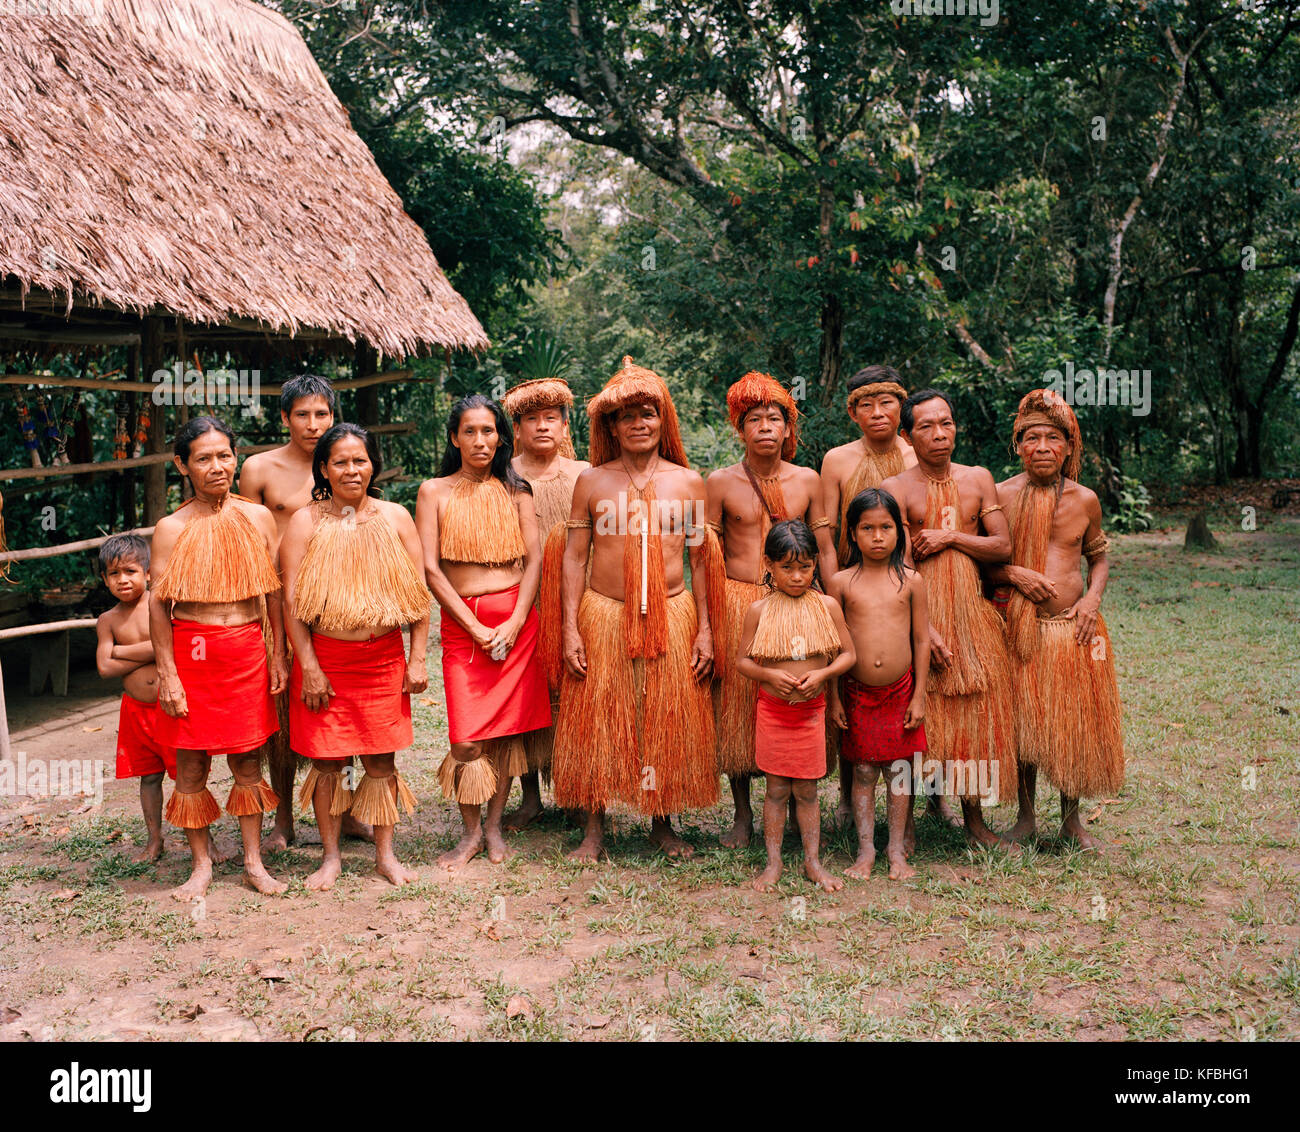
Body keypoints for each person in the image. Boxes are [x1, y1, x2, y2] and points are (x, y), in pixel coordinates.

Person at [548, 357, 723, 861]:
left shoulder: (688, 482)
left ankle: (661, 822)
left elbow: (700, 561)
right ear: (611, 426)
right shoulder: (593, 481)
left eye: (648, 413)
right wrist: (570, 629)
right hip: (603, 613)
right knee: (599, 714)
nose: (639, 423)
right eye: (627, 416)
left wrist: (706, 630)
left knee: (664, 715)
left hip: (672, 610)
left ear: (662, 419)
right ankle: (594, 830)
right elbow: (574, 558)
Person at [280, 424, 431, 889]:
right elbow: (291, 603)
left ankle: (386, 855)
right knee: (328, 763)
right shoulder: (306, 521)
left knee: (380, 763)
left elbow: (419, 597)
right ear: (323, 468)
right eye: (340, 462)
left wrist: (417, 658)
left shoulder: (395, 517)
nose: (351, 469)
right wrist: (309, 667)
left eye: (360, 460)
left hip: (382, 657)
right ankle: (331, 857)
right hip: (328, 657)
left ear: (373, 464)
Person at [150, 417, 287, 900]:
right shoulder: (171, 528)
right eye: (203, 458)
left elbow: (273, 593)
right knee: (190, 768)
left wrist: (278, 655)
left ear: (236, 457)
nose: (216, 467)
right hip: (194, 655)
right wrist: (168, 673)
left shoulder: (257, 517)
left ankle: (253, 861)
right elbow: (158, 605)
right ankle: (201, 865)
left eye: (224, 455)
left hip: (248, 651)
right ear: (182, 465)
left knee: (249, 761)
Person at [415, 395, 550, 870]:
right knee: (467, 740)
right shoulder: (434, 491)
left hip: (517, 624)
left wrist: (513, 623)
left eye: (489, 431)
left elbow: (535, 560)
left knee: (505, 736)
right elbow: (431, 569)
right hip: (463, 629)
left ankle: (492, 829)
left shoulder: (517, 490)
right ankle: (469, 833)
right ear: (454, 438)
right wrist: (473, 626)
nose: (480, 440)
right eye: (469, 431)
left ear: (500, 436)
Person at [237, 375, 371, 852]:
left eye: (322, 415)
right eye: (302, 414)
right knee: (282, 715)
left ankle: (349, 810)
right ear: (284, 418)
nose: (313, 425)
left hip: (336, 604)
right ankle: (284, 817)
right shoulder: (258, 469)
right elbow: (248, 540)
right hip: (276, 602)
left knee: (342, 708)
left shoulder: (343, 463)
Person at [880, 389, 1016, 848]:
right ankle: (910, 822)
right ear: (907, 435)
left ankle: (975, 821)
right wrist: (926, 628)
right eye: (926, 427)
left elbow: (1002, 546)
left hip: (971, 615)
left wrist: (949, 536)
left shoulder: (979, 479)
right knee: (914, 715)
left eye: (947, 424)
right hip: (919, 615)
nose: (939, 435)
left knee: (972, 714)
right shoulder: (895, 490)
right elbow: (897, 563)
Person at [706, 372, 836, 849]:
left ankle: (800, 800)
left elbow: (824, 546)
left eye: (774, 418)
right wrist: (705, 622)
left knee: (797, 699)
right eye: (754, 419)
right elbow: (705, 556)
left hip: (799, 601)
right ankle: (743, 814)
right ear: (740, 430)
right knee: (739, 709)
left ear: (788, 428)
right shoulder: (719, 483)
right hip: (739, 600)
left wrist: (833, 600)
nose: (764, 426)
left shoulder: (808, 480)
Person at [990, 390, 1124, 848]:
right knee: (1024, 725)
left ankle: (1071, 819)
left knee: (1073, 725)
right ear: (1018, 445)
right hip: (1017, 627)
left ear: (1068, 447)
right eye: (1031, 437)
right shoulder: (1000, 495)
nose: (1041, 446)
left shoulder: (1085, 499)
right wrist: (1013, 573)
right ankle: (1026, 818)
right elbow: (979, 560)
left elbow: (1099, 557)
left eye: (1052, 438)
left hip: (1072, 628)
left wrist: (1092, 601)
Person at [819, 365, 917, 822]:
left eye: (886, 403)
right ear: (853, 412)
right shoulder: (837, 460)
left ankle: (927, 800)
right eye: (865, 404)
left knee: (912, 692)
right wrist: (833, 594)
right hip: (850, 586)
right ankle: (845, 796)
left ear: (902, 405)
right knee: (851, 690)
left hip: (910, 586)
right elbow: (825, 532)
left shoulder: (918, 455)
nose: (877, 413)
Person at [735, 520, 854, 893]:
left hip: (810, 712)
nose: (797, 576)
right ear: (768, 564)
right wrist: (769, 677)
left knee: (807, 791)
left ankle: (812, 862)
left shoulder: (827, 606)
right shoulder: (759, 610)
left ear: (815, 564)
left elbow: (849, 655)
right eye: (787, 567)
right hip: (774, 712)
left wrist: (822, 676)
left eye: (805, 567)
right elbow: (743, 662)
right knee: (775, 791)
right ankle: (773, 863)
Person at [499, 377, 590, 830]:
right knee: (528, 697)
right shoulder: (504, 477)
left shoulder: (585, 474)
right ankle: (530, 794)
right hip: (521, 603)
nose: (541, 427)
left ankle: (576, 791)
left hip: (579, 602)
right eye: (531, 419)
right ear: (516, 428)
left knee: (575, 696)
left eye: (550, 418)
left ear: (564, 424)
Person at [830, 489, 929, 881]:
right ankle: (866, 849)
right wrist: (834, 697)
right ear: (852, 534)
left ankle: (897, 850)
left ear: (898, 532)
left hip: (901, 690)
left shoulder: (911, 581)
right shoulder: (840, 583)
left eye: (886, 527)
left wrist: (919, 694)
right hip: (856, 693)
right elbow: (832, 647)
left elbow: (921, 640)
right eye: (867, 528)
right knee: (865, 772)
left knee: (900, 773)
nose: (877, 536)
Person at [96, 534, 176, 864]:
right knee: (149, 776)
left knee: (188, 776)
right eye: (114, 574)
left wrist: (121, 650)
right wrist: (153, 651)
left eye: (130, 571)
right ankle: (155, 840)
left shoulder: (162, 604)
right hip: (135, 711)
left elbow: (170, 647)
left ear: (147, 573)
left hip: (169, 706)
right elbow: (104, 667)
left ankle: (205, 840)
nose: (122, 580)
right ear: (104, 580)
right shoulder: (108, 620)